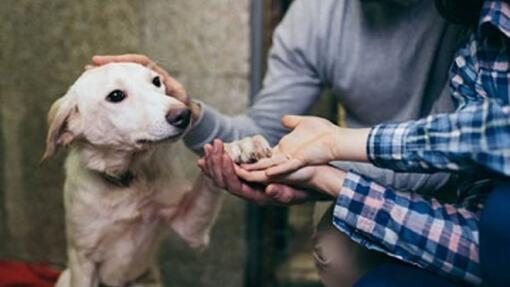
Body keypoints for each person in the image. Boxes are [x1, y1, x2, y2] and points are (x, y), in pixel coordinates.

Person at [92, 0, 467, 286]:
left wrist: (322, 177)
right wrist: (188, 114)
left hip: (467, 179)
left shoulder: (466, 15)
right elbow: (262, 131)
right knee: (335, 252)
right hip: (369, 178)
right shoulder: (315, 15)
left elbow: (455, 147)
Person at [212, 0, 508, 285]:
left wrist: (337, 146)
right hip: (372, 170)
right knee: (346, 256)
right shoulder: (477, 42)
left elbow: (478, 137)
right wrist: (193, 117)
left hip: (441, 177)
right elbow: (485, 244)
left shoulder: (461, 18)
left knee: (499, 212)